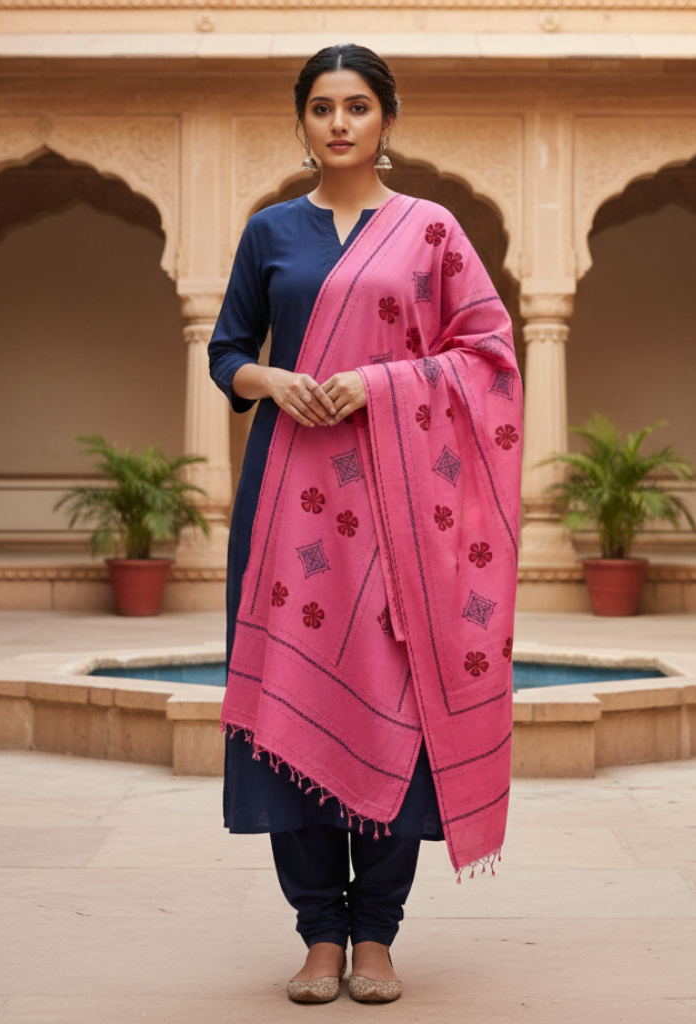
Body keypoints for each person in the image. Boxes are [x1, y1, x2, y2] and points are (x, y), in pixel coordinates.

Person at [209, 43, 523, 1004]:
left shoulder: (430, 231)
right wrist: (275, 380)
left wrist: (379, 383)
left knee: (399, 696)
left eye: (356, 106)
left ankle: (376, 936)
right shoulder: (270, 233)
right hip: (289, 495)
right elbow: (228, 351)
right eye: (319, 107)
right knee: (290, 699)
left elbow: (490, 353)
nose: (338, 123)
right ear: (300, 122)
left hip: (402, 510)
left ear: (388, 118)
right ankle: (317, 933)